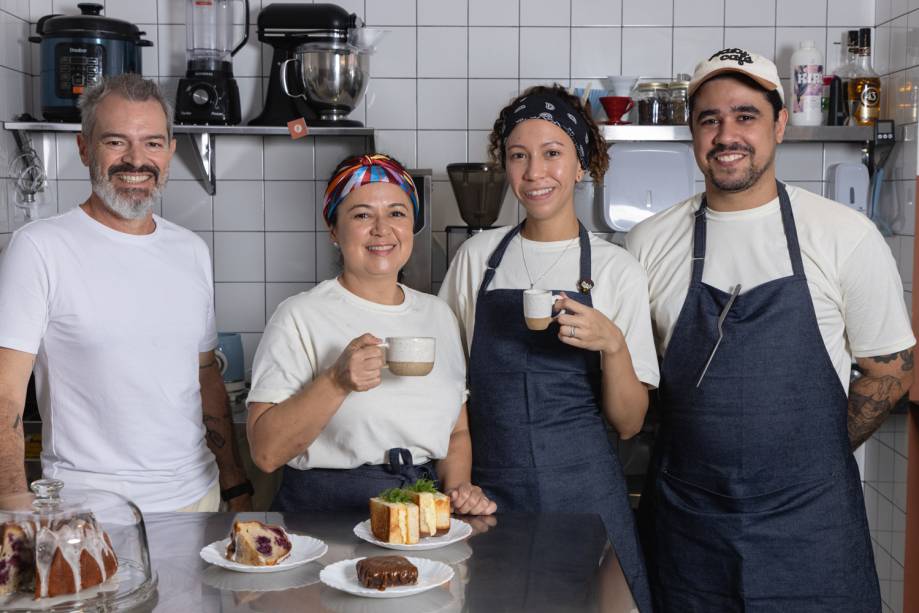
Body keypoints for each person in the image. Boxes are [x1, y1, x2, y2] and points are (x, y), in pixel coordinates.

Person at [626, 48, 915, 611]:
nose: (726, 135)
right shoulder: (648, 244)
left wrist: (809, 456)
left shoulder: (844, 235)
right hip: (688, 523)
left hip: (812, 523)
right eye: (709, 119)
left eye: (746, 115)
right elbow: (636, 381)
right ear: (692, 133)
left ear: (780, 124)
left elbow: (892, 369)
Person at [438, 85, 658, 611]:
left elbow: (630, 423)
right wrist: (459, 483)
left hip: (586, 497)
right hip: (488, 497)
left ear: (581, 164)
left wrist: (613, 345)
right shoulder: (477, 258)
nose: (535, 172)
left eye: (552, 153)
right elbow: (444, 390)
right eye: (519, 156)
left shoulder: (616, 270)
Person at [0, 74, 251, 512]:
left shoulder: (191, 250)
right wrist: (14, 508)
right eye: (116, 142)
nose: (136, 160)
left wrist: (234, 482)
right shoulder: (39, 248)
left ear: (169, 151)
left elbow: (205, 374)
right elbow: (5, 396)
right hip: (89, 511)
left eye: (152, 143)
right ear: (84, 148)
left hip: (198, 499)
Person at [246, 153, 495, 516]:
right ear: (334, 229)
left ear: (413, 225)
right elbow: (266, 453)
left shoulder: (438, 315)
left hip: (419, 513)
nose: (382, 229)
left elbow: (456, 432)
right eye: (362, 215)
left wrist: (459, 488)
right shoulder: (299, 316)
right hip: (325, 516)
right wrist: (336, 381)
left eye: (397, 213)